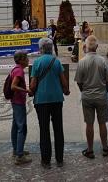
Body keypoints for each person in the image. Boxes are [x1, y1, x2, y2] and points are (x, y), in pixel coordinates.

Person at [30, 37, 69, 168]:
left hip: (41, 100)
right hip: (57, 99)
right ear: (51, 48)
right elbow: (63, 81)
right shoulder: (56, 62)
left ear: (40, 48)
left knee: (44, 130)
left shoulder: (37, 62)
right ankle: (59, 159)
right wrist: (66, 90)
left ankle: (46, 160)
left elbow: (33, 83)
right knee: (58, 129)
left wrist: (30, 91)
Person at [75, 35, 108, 158]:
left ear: (85, 46)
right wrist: (105, 90)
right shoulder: (103, 61)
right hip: (101, 95)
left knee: (89, 124)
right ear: (97, 46)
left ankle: (90, 149)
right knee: (102, 123)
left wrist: (84, 91)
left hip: (87, 96)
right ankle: (104, 147)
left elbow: (79, 81)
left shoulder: (82, 62)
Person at [10, 51, 31, 164]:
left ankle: (17, 149)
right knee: (22, 127)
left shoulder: (15, 69)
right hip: (18, 102)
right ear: (21, 60)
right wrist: (26, 90)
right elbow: (13, 86)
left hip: (15, 101)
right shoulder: (19, 71)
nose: (28, 60)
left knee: (15, 126)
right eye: (26, 58)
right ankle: (19, 156)